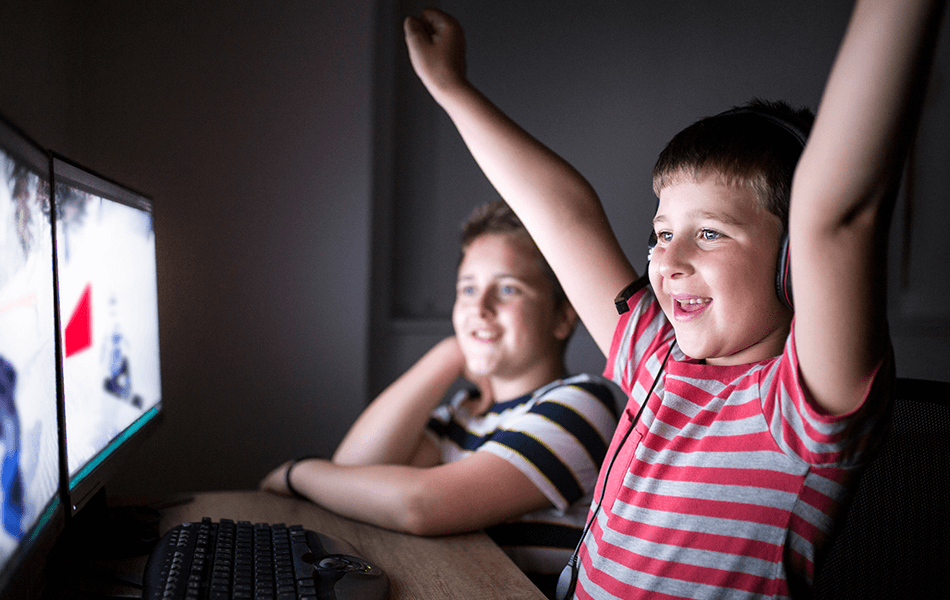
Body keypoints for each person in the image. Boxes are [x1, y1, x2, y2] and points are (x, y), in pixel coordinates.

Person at [403, 0, 946, 598]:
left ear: (795, 262)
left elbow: (837, 215)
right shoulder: (653, 358)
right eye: (662, 234)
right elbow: (566, 216)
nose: (666, 260)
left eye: (710, 233)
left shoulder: (801, 406)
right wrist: (451, 88)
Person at [261, 201, 620, 591]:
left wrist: (296, 473)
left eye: (507, 288)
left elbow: (421, 506)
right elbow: (354, 467)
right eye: (467, 290)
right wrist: (447, 354)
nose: (479, 308)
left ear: (563, 316)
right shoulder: (463, 414)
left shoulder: (581, 404)